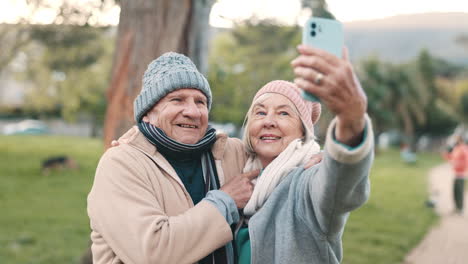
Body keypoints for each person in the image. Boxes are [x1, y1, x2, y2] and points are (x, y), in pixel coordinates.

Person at [87, 52, 259, 264]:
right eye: (177, 100)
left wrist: (311, 162)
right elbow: (153, 253)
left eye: (200, 102)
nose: (193, 112)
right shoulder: (121, 164)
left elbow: (284, 161)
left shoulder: (232, 153)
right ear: (148, 113)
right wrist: (225, 201)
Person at [234, 45, 374, 264]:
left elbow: (338, 187)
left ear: (303, 131)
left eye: (283, 113)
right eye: (260, 112)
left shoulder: (306, 181)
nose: (268, 121)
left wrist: (351, 121)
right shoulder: (237, 177)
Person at [443, 135, 468, 214]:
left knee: (459, 191)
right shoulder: (456, 148)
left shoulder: (464, 148)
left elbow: (466, 161)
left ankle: (460, 209)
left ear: (460, 140)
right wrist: (446, 155)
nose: (454, 141)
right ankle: (456, 207)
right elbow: (452, 158)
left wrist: (458, 165)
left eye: (456, 139)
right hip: (455, 173)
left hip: (461, 174)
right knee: (455, 191)